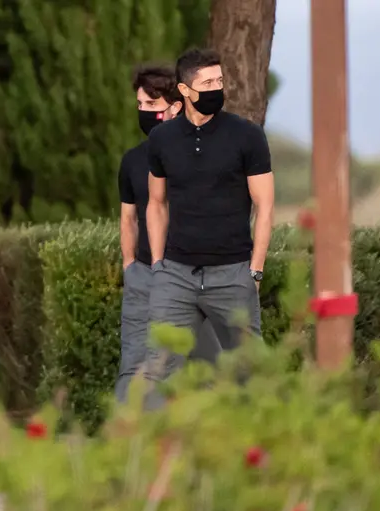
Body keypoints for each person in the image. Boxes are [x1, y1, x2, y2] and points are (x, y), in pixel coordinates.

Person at [144, 49, 275, 409]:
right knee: (160, 369)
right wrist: (158, 265)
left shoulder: (247, 136)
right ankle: (160, 458)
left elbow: (265, 206)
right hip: (176, 275)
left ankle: (264, 456)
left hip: (233, 273)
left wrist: (255, 271)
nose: (217, 88)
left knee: (252, 372)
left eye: (219, 80)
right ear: (185, 90)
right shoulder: (162, 139)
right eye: (207, 83)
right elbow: (156, 203)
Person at [115, 64, 221, 404]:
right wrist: (131, 265)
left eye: (152, 106)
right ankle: (130, 448)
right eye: (141, 106)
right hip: (145, 276)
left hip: (195, 276)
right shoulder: (132, 161)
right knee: (135, 366)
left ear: (176, 107)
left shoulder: (202, 153)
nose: (144, 112)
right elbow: (128, 218)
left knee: (209, 369)